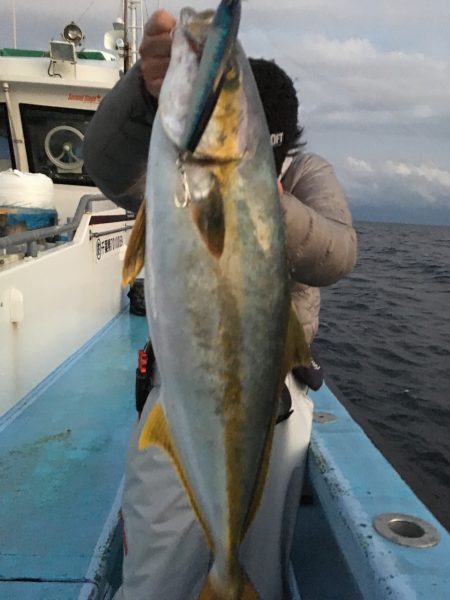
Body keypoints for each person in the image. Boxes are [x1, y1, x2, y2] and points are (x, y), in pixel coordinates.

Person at [84, 9, 357, 600]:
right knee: (156, 567)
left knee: (256, 561)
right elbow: (104, 164)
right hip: (179, 390)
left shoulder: (306, 173)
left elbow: (339, 253)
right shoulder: (171, 169)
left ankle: (232, 579)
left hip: (275, 401)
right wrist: (140, 87)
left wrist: (256, 195)